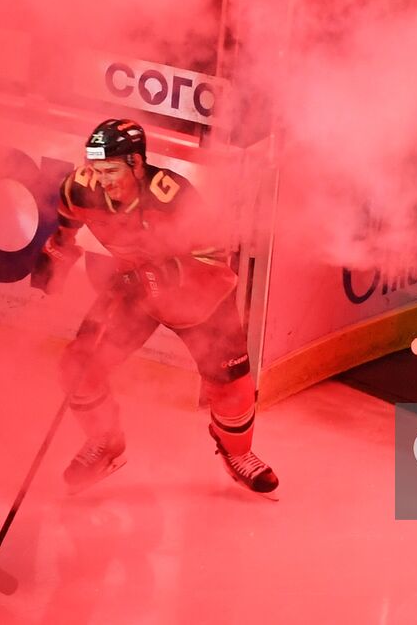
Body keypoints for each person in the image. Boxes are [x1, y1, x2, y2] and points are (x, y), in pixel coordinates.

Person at [30, 118, 279, 495]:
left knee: (230, 388)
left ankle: (237, 453)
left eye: (111, 170)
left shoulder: (174, 195)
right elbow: (66, 226)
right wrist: (55, 255)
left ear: (136, 163)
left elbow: (213, 258)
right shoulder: (80, 188)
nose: (103, 179)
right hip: (135, 293)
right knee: (78, 367)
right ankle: (106, 442)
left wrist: (161, 274)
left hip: (199, 297)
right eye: (97, 169)